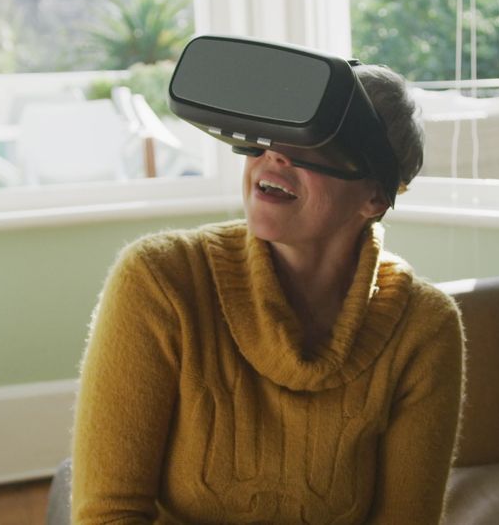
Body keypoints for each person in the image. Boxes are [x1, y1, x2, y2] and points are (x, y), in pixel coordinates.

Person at [71, 41, 465, 524]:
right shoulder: (161, 281)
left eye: (315, 141)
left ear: (374, 198)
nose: (275, 155)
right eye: (270, 133)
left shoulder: (424, 330)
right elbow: (109, 513)